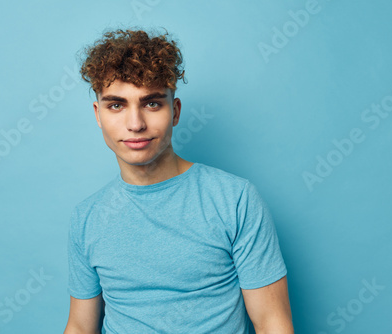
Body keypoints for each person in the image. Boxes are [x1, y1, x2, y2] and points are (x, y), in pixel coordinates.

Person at [64, 28, 294, 334]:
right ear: (98, 114)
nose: (135, 124)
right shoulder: (86, 218)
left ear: (175, 111)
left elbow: (272, 323)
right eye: (116, 105)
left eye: (152, 103)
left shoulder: (235, 200)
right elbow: (80, 325)